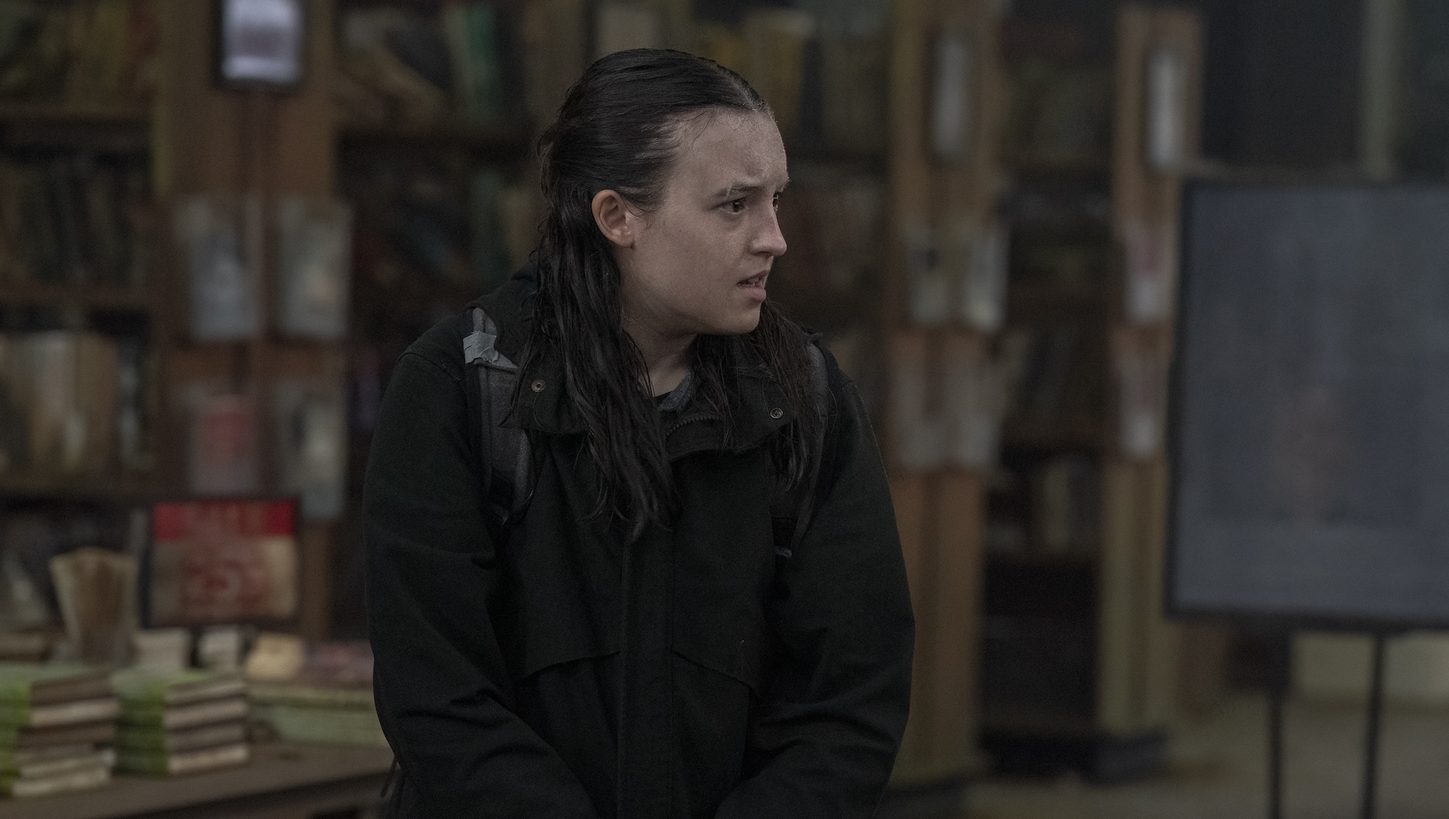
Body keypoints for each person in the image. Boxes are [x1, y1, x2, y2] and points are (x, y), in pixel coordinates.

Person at [364, 48, 913, 818]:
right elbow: (436, 693)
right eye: (734, 205)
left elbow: (851, 700)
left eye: (776, 200)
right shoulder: (462, 385)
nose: (774, 238)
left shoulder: (802, 398)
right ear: (617, 216)